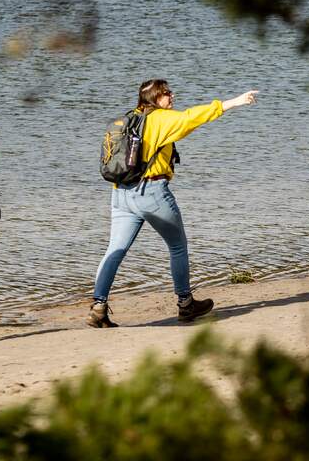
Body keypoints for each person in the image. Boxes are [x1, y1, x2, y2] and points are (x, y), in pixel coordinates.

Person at [89, 79, 259, 327]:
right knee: (177, 246)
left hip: (121, 194)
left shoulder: (129, 118)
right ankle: (185, 304)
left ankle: (98, 307)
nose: (172, 96)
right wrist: (234, 102)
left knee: (115, 250)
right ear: (155, 98)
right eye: (167, 93)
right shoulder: (160, 119)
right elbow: (194, 117)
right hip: (151, 193)